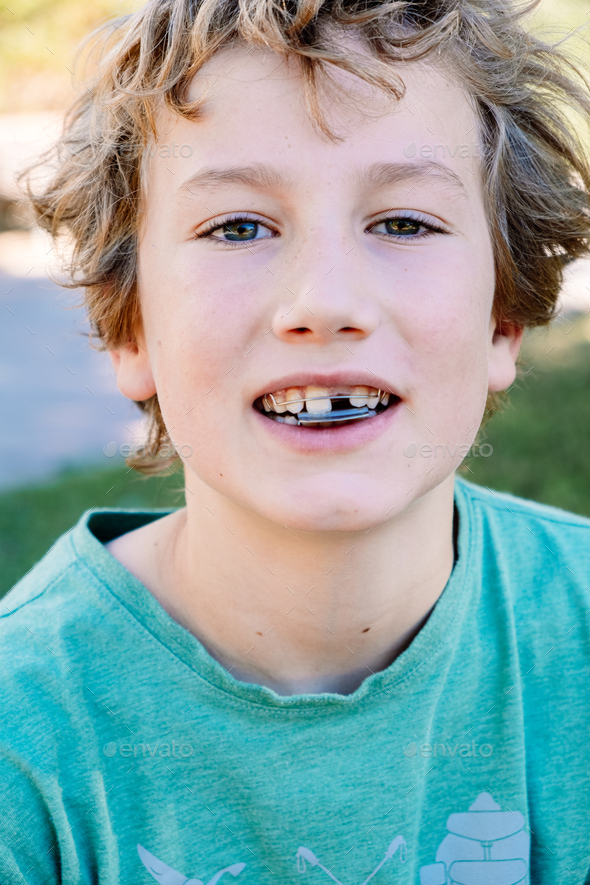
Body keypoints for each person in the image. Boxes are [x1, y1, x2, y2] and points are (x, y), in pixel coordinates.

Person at [2, 0, 590, 882]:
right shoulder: (25, 738)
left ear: (504, 317)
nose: (324, 302)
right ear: (131, 331)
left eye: (403, 222)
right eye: (237, 226)